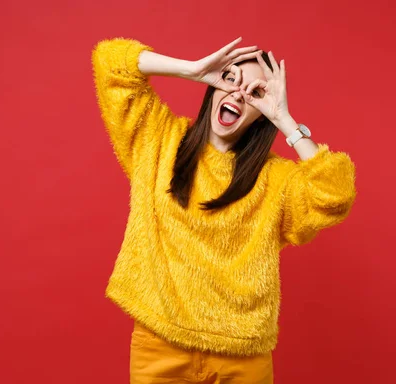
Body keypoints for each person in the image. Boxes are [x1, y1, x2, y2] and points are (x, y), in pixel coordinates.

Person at [91, 37, 357, 383]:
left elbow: (335, 193)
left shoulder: (275, 179)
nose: (238, 94)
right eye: (231, 79)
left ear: (262, 112)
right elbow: (111, 60)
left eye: (255, 93)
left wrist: (284, 118)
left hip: (242, 357)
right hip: (160, 344)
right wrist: (192, 70)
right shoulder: (159, 139)